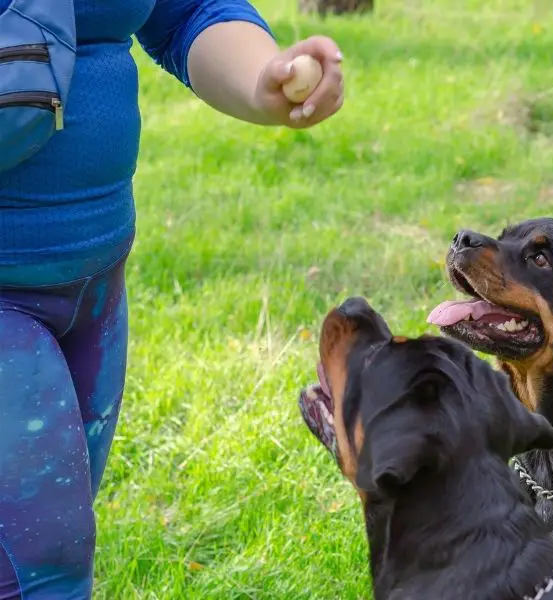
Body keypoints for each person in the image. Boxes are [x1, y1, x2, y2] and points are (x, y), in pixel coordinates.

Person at [0, 0, 345, 597]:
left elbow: (187, 12)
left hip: (94, 277)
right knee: (42, 561)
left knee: (46, 530)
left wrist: (267, 75)